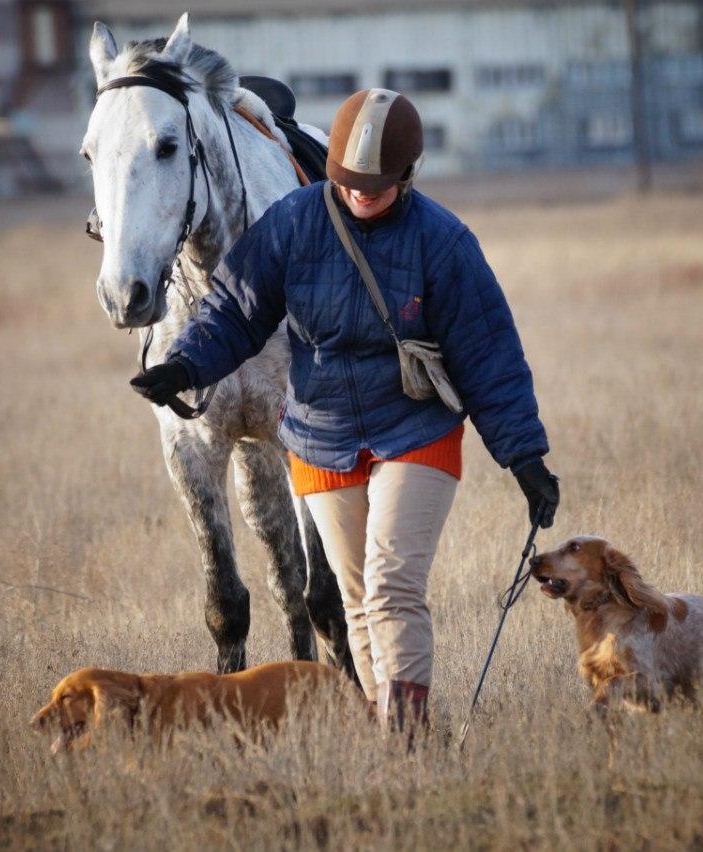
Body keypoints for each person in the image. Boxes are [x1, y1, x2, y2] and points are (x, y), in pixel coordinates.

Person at [132, 88, 559, 735]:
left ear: (407, 174)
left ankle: (407, 738)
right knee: (357, 602)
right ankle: (384, 738)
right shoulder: (293, 223)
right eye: (349, 180)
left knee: (392, 588)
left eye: (377, 184)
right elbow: (234, 311)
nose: (361, 193)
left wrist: (525, 456)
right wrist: (185, 365)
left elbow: (489, 353)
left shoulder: (442, 241)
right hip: (321, 439)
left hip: (415, 430)